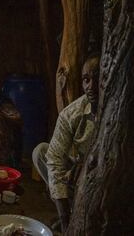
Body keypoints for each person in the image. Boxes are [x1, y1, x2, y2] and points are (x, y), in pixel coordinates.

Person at [32, 54, 100, 232]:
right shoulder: (72, 114)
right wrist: (65, 220)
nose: (91, 87)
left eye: (98, 79)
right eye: (86, 80)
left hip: (103, 176)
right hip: (78, 174)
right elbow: (54, 159)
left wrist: (86, 165)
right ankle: (68, 211)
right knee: (41, 152)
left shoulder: (118, 111)